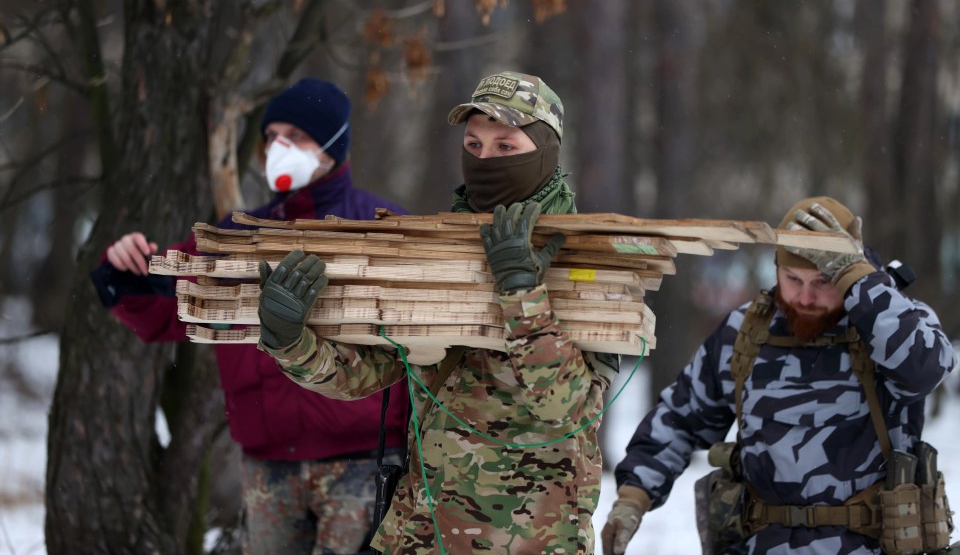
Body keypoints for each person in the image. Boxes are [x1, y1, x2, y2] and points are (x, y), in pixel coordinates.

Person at [256, 71, 621, 554]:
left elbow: (565, 408)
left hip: (531, 541)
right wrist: (291, 342)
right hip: (420, 535)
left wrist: (521, 290)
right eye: (474, 144)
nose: (484, 159)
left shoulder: (591, 262)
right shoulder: (439, 251)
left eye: (505, 146)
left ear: (546, 150)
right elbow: (365, 375)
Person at [90, 78, 410, 555]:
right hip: (268, 469)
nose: (278, 148)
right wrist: (124, 268)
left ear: (332, 144)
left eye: (296, 136)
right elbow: (164, 308)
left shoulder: (383, 230)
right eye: (271, 135)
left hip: (363, 465)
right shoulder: (236, 237)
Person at [601, 196, 958, 555]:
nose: (805, 296)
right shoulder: (745, 332)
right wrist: (633, 499)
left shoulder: (891, 325)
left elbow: (924, 369)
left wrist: (861, 279)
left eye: (823, 280)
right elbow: (679, 419)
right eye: (792, 279)